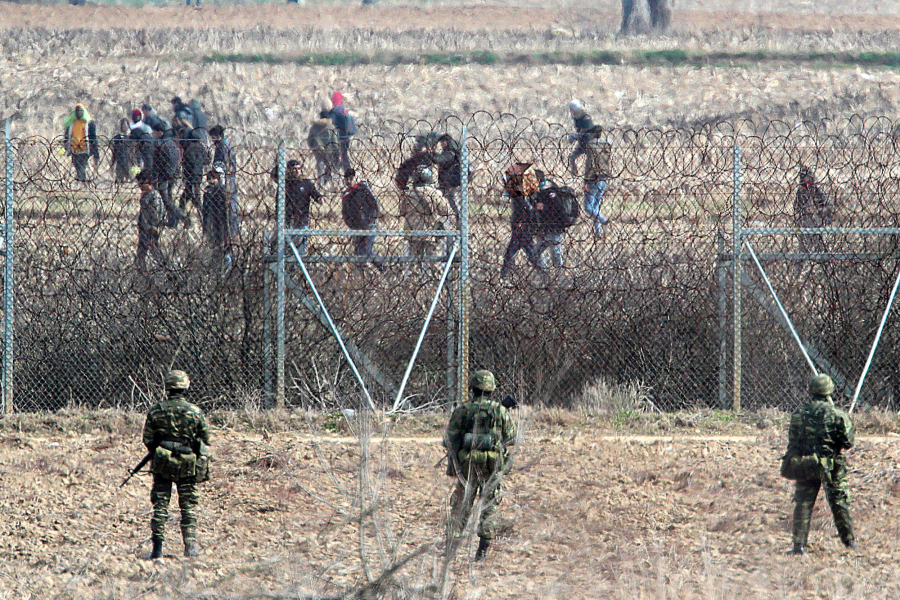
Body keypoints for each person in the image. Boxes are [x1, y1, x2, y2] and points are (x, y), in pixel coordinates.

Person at [444, 369, 517, 561]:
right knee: (489, 505)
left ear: (472, 388)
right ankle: (482, 553)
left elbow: (449, 439)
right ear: (491, 388)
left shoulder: (463, 410)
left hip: (467, 464)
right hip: (492, 466)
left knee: (461, 504)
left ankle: (451, 552)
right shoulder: (500, 411)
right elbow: (511, 438)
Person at [783, 374, 857, 555]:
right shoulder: (837, 414)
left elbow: (793, 440)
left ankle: (798, 546)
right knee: (839, 502)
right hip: (832, 466)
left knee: (803, 503)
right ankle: (849, 543)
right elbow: (848, 441)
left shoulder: (799, 413)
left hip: (807, 464)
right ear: (830, 391)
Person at [142, 370, 211, 559]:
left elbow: (148, 439)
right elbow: (205, 438)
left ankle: (157, 550)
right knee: (188, 506)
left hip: (162, 461)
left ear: (167, 387)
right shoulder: (195, 411)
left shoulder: (156, 410)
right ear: (185, 387)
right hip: (187, 463)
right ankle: (190, 547)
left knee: (161, 505)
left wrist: (162, 446)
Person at [270, 159, 322, 257]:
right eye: (294, 169)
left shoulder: (306, 183)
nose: (298, 171)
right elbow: (278, 204)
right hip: (287, 222)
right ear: (289, 170)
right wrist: (278, 221)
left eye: (299, 169)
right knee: (286, 252)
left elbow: (315, 194)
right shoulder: (285, 185)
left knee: (299, 252)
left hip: (301, 222)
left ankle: (297, 270)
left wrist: (319, 198)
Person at [500, 163, 542, 280]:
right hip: (521, 226)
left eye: (513, 169)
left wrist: (521, 221)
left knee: (513, 253)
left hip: (522, 227)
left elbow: (525, 208)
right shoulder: (521, 188)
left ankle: (504, 276)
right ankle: (544, 274)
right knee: (528, 252)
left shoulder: (520, 190)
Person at [532, 171, 579, 270]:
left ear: (538, 180)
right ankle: (544, 273)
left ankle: (560, 277)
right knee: (536, 253)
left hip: (555, 229)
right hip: (546, 230)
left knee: (556, 256)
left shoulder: (550, 192)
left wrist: (544, 207)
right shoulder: (540, 192)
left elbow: (558, 207)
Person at [341, 168, 383, 271]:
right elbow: (345, 211)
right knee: (358, 254)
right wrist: (350, 223)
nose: (349, 181)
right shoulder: (346, 194)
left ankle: (382, 267)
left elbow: (376, 205)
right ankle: (362, 275)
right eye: (347, 179)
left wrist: (370, 220)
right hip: (356, 227)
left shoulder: (364, 189)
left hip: (369, 226)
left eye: (351, 178)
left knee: (367, 250)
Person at [576, 125, 612, 238]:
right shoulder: (606, 144)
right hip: (603, 177)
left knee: (588, 207)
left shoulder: (591, 146)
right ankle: (598, 231)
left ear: (591, 135)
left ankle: (603, 219)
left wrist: (585, 181)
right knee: (596, 206)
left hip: (592, 178)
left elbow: (589, 165)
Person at [151, 120, 186, 228]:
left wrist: (157, 176)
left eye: (155, 133)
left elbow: (159, 162)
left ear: (160, 132)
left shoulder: (163, 144)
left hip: (164, 176)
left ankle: (181, 216)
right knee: (168, 199)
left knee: (165, 199)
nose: (153, 135)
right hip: (173, 175)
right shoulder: (173, 142)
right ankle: (172, 221)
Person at [202, 166, 235, 274]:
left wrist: (230, 228)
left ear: (218, 179)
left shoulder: (222, 192)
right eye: (209, 179)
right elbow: (205, 211)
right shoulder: (207, 193)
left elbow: (227, 212)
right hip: (213, 224)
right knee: (216, 249)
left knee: (224, 250)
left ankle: (227, 271)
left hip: (222, 224)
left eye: (213, 179)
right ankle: (217, 271)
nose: (211, 181)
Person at [135, 170, 168, 273]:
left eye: (142, 183)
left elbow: (157, 213)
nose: (140, 186)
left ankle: (169, 273)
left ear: (149, 183)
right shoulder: (145, 195)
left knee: (155, 253)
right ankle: (142, 273)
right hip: (144, 229)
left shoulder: (154, 196)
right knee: (141, 254)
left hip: (151, 230)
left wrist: (154, 227)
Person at [794, 167, 833, 254]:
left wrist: (820, 211)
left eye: (806, 176)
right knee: (802, 252)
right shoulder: (800, 191)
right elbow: (796, 206)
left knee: (822, 252)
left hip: (817, 225)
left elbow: (829, 205)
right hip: (804, 226)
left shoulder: (817, 190)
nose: (804, 178)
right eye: (802, 176)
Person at [62, 103, 99, 182]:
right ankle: (81, 181)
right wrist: (65, 146)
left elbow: (93, 137)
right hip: (74, 149)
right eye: (77, 111)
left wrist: (95, 151)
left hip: (84, 149)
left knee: (82, 167)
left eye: (80, 111)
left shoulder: (88, 124)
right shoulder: (71, 124)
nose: (78, 112)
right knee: (77, 166)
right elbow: (67, 136)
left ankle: (81, 181)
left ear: (83, 112)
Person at [307, 99, 341, 184]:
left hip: (318, 151)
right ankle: (332, 183)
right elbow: (334, 141)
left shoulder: (314, 127)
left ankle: (321, 183)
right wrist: (338, 152)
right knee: (331, 167)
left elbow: (310, 139)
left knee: (320, 166)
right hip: (330, 151)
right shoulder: (331, 126)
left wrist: (313, 147)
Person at [431, 133, 463, 221]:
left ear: (445, 143)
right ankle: (454, 221)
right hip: (448, 183)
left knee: (452, 204)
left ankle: (458, 222)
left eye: (441, 143)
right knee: (451, 204)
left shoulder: (450, 154)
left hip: (448, 183)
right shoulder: (453, 153)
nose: (440, 146)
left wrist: (429, 154)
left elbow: (438, 160)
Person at [330, 91, 358, 171]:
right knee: (344, 156)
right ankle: (347, 172)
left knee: (337, 157)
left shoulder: (333, 112)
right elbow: (353, 128)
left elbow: (333, 125)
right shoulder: (344, 111)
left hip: (337, 138)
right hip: (346, 138)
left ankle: (337, 173)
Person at [110, 118, 136, 184]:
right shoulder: (118, 137)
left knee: (131, 179)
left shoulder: (132, 136)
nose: (124, 126)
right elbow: (114, 150)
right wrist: (113, 160)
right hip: (120, 160)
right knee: (119, 180)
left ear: (128, 125)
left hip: (130, 160)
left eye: (125, 124)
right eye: (122, 125)